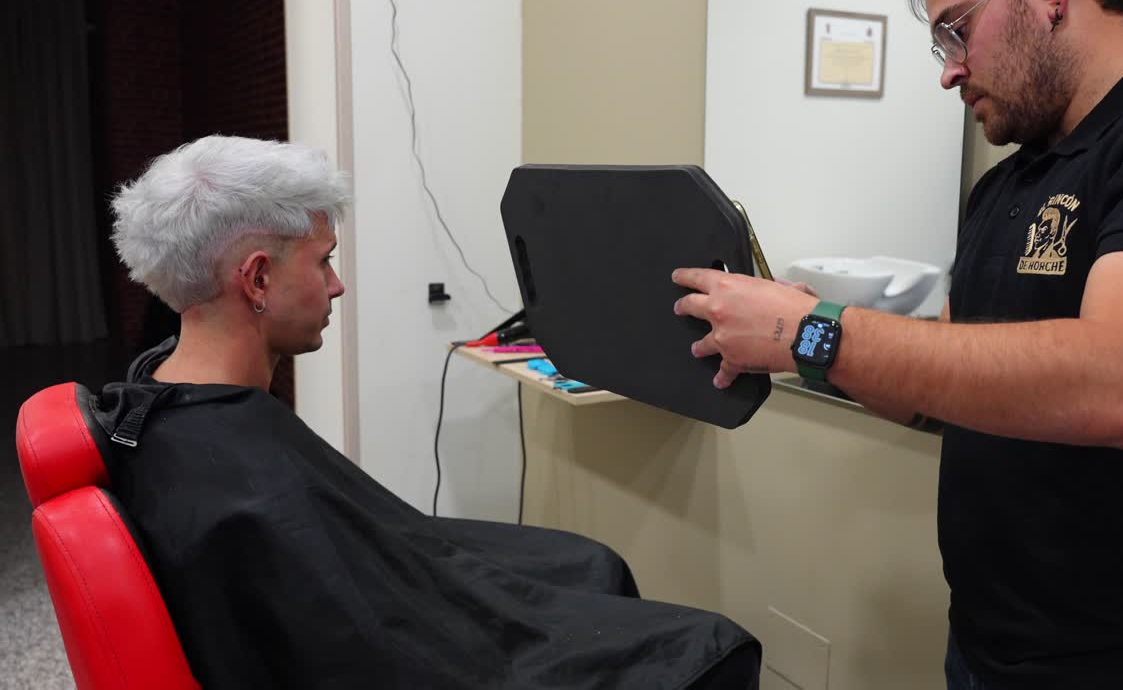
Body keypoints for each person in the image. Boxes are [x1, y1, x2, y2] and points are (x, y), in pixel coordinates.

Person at [672, 0, 1123, 687]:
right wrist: (793, 340)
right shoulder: (1005, 186)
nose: (949, 70)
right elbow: (940, 389)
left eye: (957, 27)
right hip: (988, 649)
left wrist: (814, 331)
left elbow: (1121, 382)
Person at [99, 135, 760, 689]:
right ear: (258, 279)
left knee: (591, 563)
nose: (337, 284)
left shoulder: (156, 385)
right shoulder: (243, 488)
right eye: (323, 261)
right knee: (710, 647)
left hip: (398, 602)